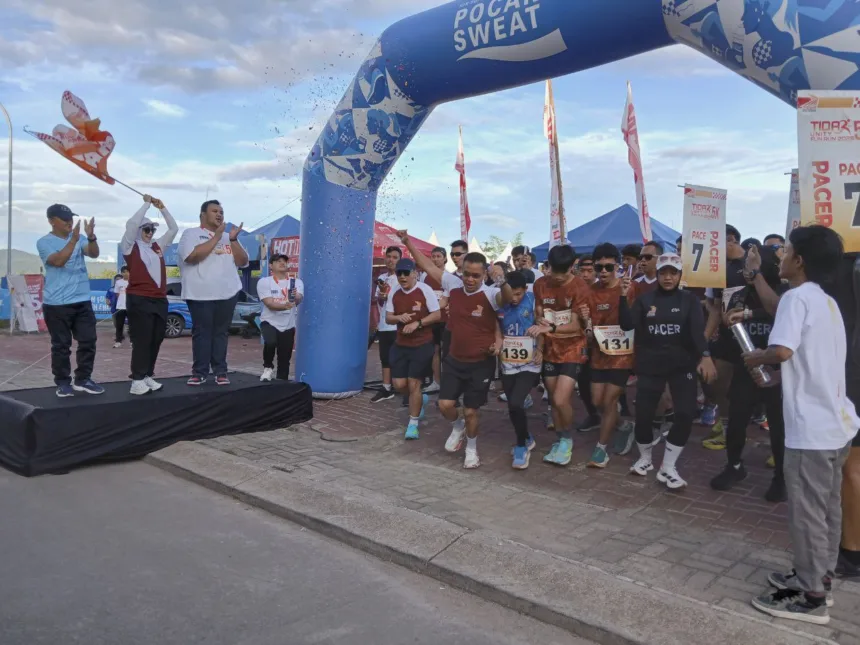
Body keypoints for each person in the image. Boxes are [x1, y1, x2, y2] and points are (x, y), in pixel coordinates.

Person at [744, 225, 859, 626]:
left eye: (787, 250)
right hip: (836, 424)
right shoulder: (827, 302)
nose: (781, 256)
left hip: (811, 430)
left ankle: (811, 598)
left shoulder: (795, 298)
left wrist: (757, 357)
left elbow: (782, 350)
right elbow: (811, 360)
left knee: (808, 514)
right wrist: (778, 375)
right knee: (827, 508)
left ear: (800, 260)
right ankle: (819, 576)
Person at [619, 253, 716, 489]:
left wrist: (705, 356)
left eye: (673, 273)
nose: (668, 277)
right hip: (650, 365)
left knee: (685, 414)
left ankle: (668, 466)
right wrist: (622, 297)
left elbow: (697, 332)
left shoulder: (689, 300)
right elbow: (626, 324)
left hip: (682, 365)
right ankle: (645, 459)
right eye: (664, 273)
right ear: (658, 274)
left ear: (680, 275)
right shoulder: (645, 300)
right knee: (644, 415)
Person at [709, 245, 788, 501]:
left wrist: (749, 312)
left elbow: (779, 310)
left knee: (778, 425)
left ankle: (781, 477)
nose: (746, 271)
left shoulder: (783, 290)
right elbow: (724, 318)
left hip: (777, 369)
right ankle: (734, 466)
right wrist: (727, 317)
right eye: (745, 266)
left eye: (752, 266)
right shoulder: (738, 291)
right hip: (746, 366)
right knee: (737, 418)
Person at [529, 244, 591, 466]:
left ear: (572, 267)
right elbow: (539, 316)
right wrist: (539, 344)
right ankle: (560, 438)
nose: (557, 277)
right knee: (553, 402)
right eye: (553, 271)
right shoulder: (540, 285)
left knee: (561, 398)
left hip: (573, 348)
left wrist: (552, 328)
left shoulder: (580, 287)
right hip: (550, 349)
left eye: (562, 273)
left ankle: (567, 440)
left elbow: (576, 326)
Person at [177, 200, 248, 386]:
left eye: (221, 212)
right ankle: (199, 372)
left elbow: (243, 262)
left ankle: (220, 371)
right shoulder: (190, 234)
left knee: (221, 333)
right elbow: (192, 257)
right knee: (202, 333)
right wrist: (216, 237)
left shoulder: (228, 237)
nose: (219, 215)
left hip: (228, 293)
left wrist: (233, 240)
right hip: (200, 293)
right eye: (214, 211)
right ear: (203, 214)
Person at [37, 204, 104, 397]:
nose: (69, 222)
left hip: (82, 301)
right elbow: (58, 261)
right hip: (57, 304)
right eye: (64, 218)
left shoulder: (79, 238)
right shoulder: (44, 242)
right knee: (61, 346)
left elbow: (94, 253)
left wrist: (91, 237)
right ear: (51, 221)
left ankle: (83, 379)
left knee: (88, 341)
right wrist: (74, 240)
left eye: (71, 218)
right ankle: (63, 382)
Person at [121, 195, 179, 395]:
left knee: (156, 338)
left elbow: (173, 229)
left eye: (152, 230)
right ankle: (136, 379)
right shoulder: (129, 246)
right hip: (139, 298)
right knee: (142, 339)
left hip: (159, 299)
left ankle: (147, 375)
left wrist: (162, 208)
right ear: (139, 230)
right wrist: (146, 204)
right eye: (146, 229)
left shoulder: (157, 246)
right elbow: (131, 224)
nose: (150, 233)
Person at [585, 243, 635, 468]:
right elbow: (588, 320)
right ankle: (624, 425)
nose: (603, 271)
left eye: (608, 267)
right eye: (599, 267)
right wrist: (587, 328)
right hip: (599, 354)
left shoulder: (630, 287)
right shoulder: (591, 291)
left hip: (623, 355)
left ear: (618, 266)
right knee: (598, 402)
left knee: (609, 401)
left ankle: (601, 449)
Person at [385, 258, 441, 439]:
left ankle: (413, 423)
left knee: (414, 383)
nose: (402, 277)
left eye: (406, 273)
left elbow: (437, 315)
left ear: (415, 273)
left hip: (422, 344)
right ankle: (420, 399)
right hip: (401, 344)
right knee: (399, 385)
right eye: (399, 273)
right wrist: (399, 317)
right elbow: (388, 318)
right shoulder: (394, 292)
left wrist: (418, 323)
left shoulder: (425, 290)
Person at [701, 225, 747, 445]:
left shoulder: (754, 263)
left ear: (733, 240)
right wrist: (702, 341)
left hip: (757, 336)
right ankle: (726, 426)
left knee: (761, 391)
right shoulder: (715, 271)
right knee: (718, 383)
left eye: (728, 241)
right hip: (728, 337)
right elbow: (715, 309)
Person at [498, 270, 543, 469]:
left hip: (530, 361)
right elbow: (495, 327)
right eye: (512, 294)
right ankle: (525, 436)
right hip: (508, 361)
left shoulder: (533, 301)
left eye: (519, 294)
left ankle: (520, 446)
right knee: (512, 406)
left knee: (517, 402)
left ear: (525, 289)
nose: (514, 298)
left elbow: (542, 326)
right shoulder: (500, 300)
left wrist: (541, 348)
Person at [256, 253, 303, 382]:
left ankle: (282, 382)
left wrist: (296, 296)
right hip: (269, 321)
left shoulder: (296, 282)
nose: (282, 263)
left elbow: (299, 299)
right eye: (278, 261)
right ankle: (268, 367)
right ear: (271, 266)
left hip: (288, 324)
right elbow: (269, 304)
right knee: (270, 342)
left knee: (285, 357)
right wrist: (285, 306)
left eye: (284, 261)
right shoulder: (264, 282)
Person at [370, 246, 402, 403]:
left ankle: (405, 389)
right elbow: (380, 300)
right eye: (389, 256)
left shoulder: (403, 278)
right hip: (384, 325)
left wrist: (388, 296)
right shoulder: (382, 277)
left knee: (401, 357)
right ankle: (386, 388)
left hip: (398, 324)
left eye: (395, 257)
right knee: (385, 357)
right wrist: (382, 296)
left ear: (399, 260)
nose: (391, 260)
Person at [420, 246, 448, 394]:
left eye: (439, 256)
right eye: (433, 256)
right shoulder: (424, 276)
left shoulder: (449, 277)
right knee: (434, 351)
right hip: (431, 320)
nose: (436, 259)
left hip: (446, 320)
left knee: (447, 352)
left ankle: (449, 383)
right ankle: (436, 382)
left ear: (445, 258)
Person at [109, 267, 129, 348]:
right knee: (119, 325)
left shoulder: (133, 281)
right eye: (123, 272)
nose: (125, 273)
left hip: (131, 307)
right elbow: (117, 294)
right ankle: (118, 341)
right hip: (120, 307)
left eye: (127, 271)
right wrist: (122, 301)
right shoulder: (118, 282)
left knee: (133, 325)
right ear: (121, 273)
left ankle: (133, 341)